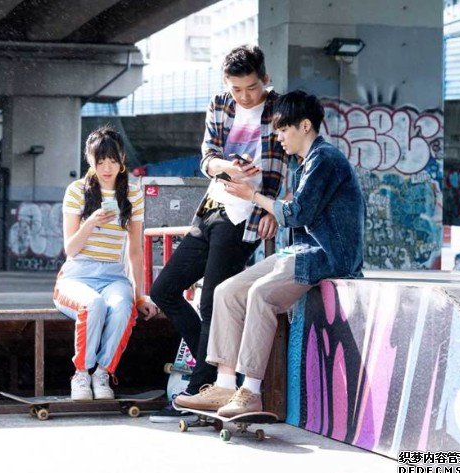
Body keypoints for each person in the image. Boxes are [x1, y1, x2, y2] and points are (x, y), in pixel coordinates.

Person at [174, 90, 365, 416]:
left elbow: (297, 214)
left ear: (305, 125)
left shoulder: (325, 159)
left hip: (328, 256)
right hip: (302, 251)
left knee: (260, 294)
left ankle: (250, 391)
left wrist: (253, 196)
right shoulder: (305, 163)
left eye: (283, 130)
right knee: (226, 292)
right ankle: (224, 385)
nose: (279, 138)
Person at [149, 45, 288, 422]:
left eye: (252, 87)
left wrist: (272, 208)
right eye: (237, 89)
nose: (245, 96)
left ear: (265, 79)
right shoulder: (220, 104)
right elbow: (207, 159)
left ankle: (199, 389)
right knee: (164, 290)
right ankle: (215, 374)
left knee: (212, 300)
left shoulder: (280, 109)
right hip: (211, 208)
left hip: (245, 217)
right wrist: (228, 166)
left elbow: (295, 162)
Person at [55, 127, 159, 400]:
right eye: (100, 161)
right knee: (93, 304)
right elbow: (70, 249)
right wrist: (90, 222)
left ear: (122, 159)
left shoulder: (132, 194)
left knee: (124, 307)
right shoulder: (76, 191)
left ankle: (102, 374)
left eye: (113, 160)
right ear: (90, 160)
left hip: (114, 275)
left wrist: (139, 295)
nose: (107, 168)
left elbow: (135, 251)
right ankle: (81, 374)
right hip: (77, 275)